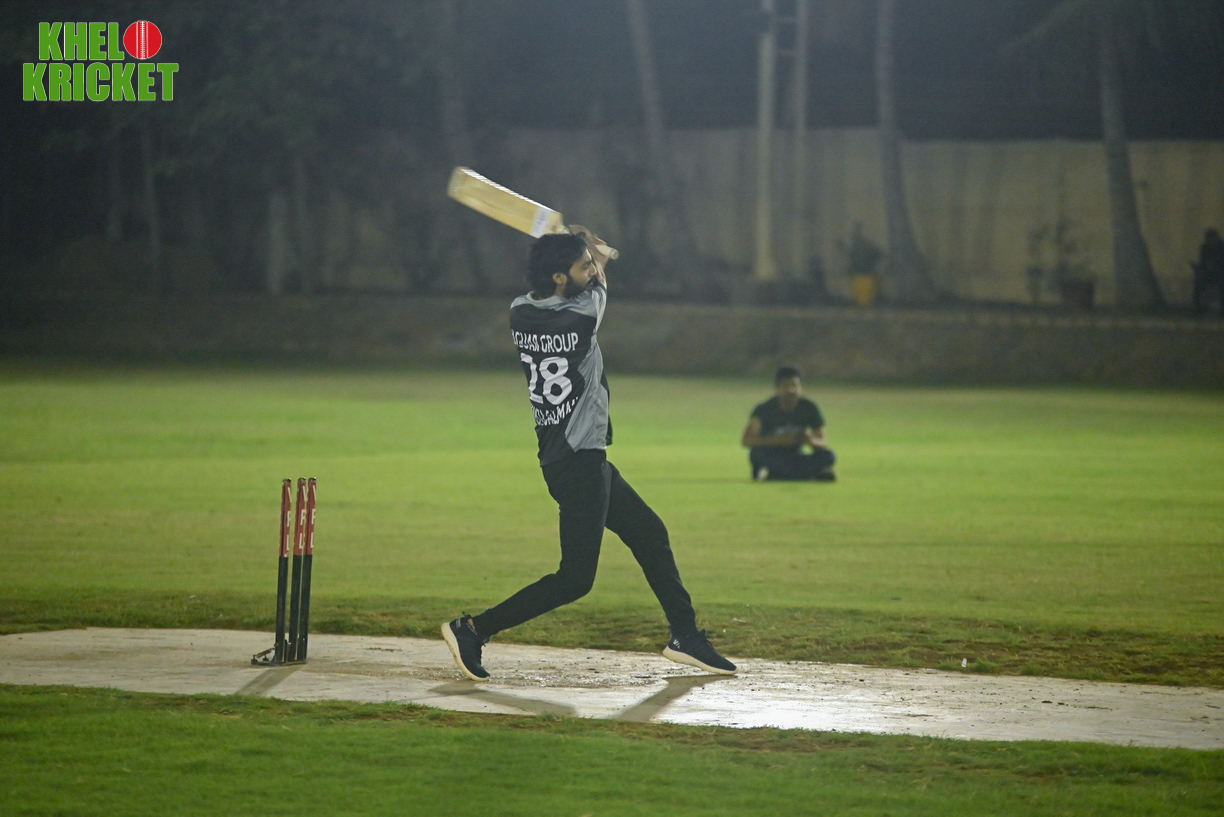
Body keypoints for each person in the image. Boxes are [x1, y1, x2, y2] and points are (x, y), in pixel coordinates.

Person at [441, 227, 736, 681]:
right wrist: (598, 251)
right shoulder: (582, 315)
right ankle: (473, 629)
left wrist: (582, 250)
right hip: (578, 463)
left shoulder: (519, 311)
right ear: (560, 278)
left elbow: (584, 279)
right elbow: (601, 280)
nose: (591, 272)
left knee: (650, 534)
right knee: (575, 579)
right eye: (581, 268)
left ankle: (685, 636)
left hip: (573, 459)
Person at [741, 366, 836, 482]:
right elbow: (746, 440)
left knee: (828, 456)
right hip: (772, 455)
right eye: (786, 386)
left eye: (794, 386)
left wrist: (809, 439)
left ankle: (776, 474)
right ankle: (810, 474)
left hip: (796, 456)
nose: (791, 390)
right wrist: (777, 440)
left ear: (801, 388)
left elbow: (823, 442)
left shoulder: (809, 408)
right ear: (777, 389)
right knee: (756, 454)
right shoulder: (765, 409)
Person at [1192, 228, 1224, 317]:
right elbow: (1202, 261)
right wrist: (1199, 268)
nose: (1210, 241)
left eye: (1211, 238)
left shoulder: (1222, 247)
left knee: (1222, 283)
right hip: (1208, 272)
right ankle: (1197, 307)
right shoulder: (1204, 248)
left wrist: (1214, 266)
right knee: (1198, 282)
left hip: (1220, 272)